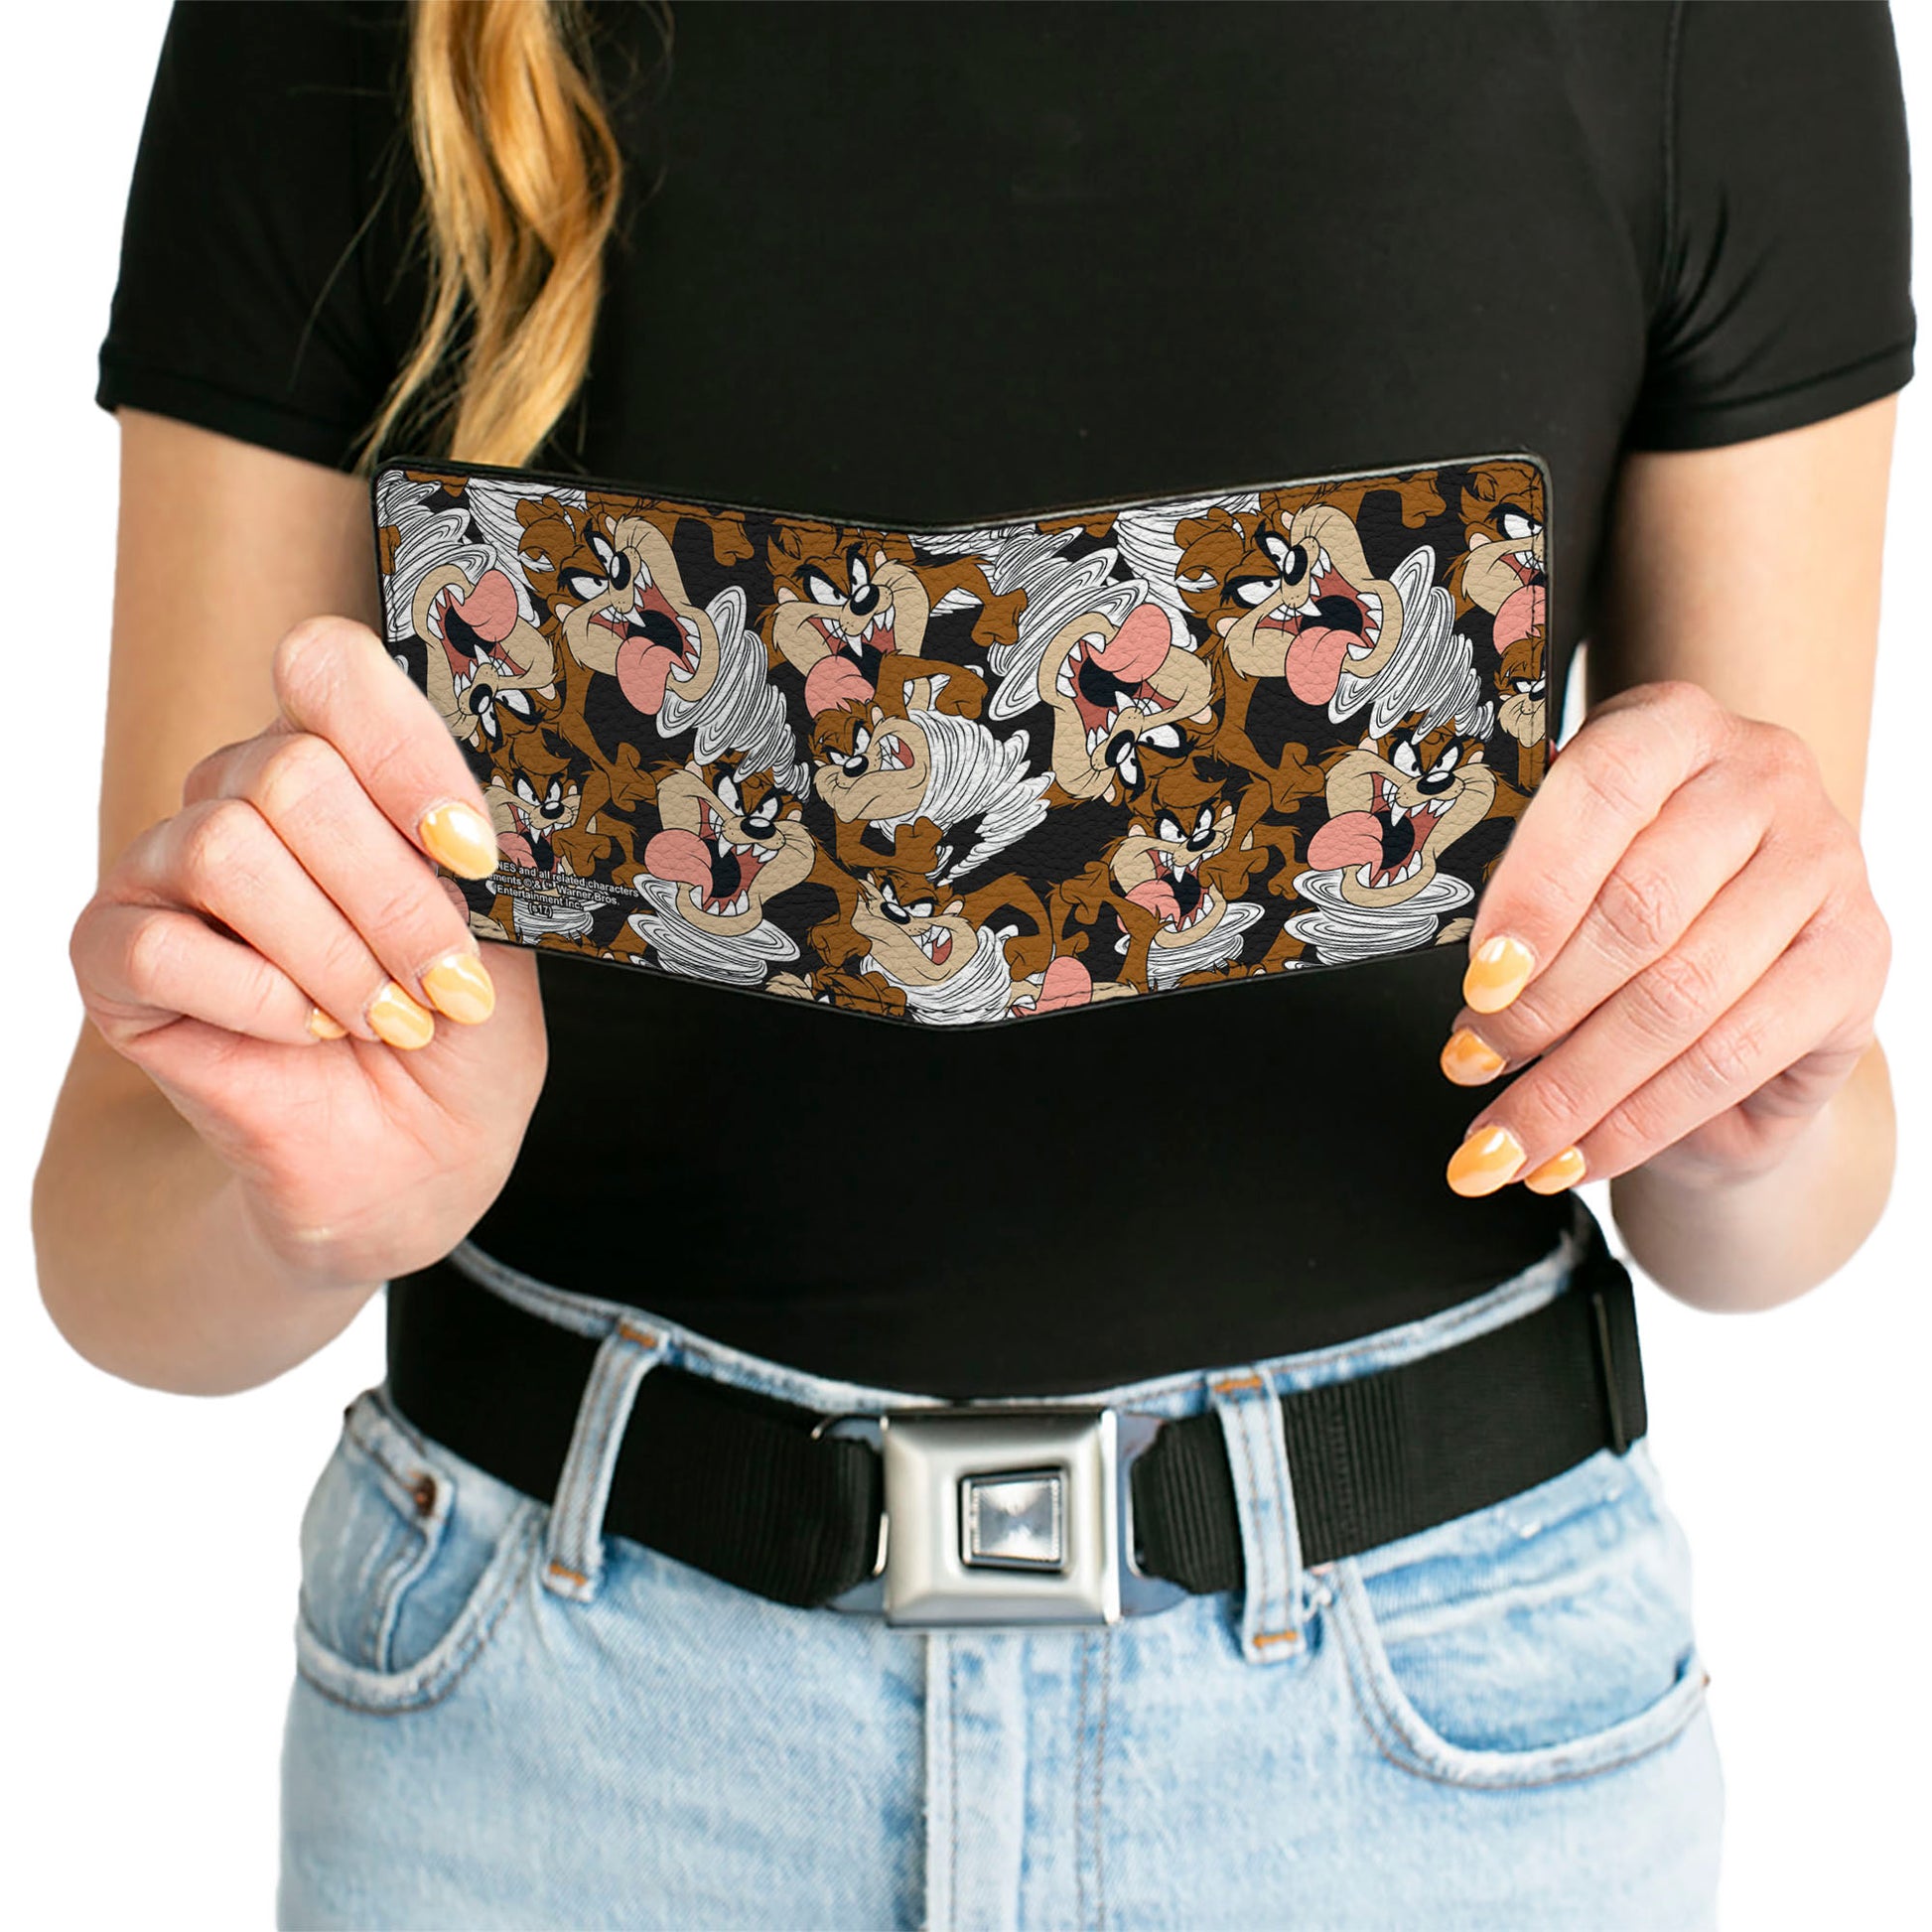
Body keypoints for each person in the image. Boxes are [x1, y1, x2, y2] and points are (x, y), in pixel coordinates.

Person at [33, 2, 1911, 1926]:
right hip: (557, 1741)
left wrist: (1743, 1093)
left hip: (1430, 1742)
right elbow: (114, 1230)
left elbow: (1770, 1199)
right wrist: (310, 1201)